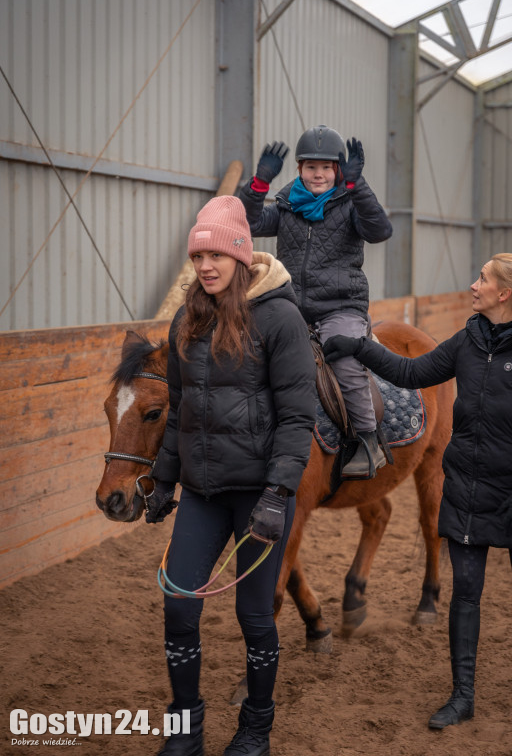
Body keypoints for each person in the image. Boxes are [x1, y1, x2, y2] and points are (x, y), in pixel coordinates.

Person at [146, 195, 317, 756]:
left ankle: (255, 729)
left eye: (216, 255)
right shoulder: (185, 320)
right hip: (201, 491)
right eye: (198, 257)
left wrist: (279, 493)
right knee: (178, 605)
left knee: (253, 616)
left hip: (259, 495)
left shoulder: (281, 318)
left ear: (241, 257)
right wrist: (165, 480)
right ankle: (184, 728)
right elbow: (179, 410)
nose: (205, 267)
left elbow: (297, 417)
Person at [321, 252, 512, 730]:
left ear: (504, 294)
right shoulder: (467, 341)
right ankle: (462, 696)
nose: (473, 284)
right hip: (469, 487)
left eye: (483, 279)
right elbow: (411, 373)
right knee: (465, 596)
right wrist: (361, 347)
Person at [239, 124, 393, 477]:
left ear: (338, 171)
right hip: (291, 305)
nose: (318, 174)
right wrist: (258, 185)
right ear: (299, 170)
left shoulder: (350, 204)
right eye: (311, 167)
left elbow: (380, 230)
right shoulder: (286, 205)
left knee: (346, 366)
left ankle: (368, 439)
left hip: (342, 305)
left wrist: (357, 186)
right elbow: (245, 225)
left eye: (327, 167)